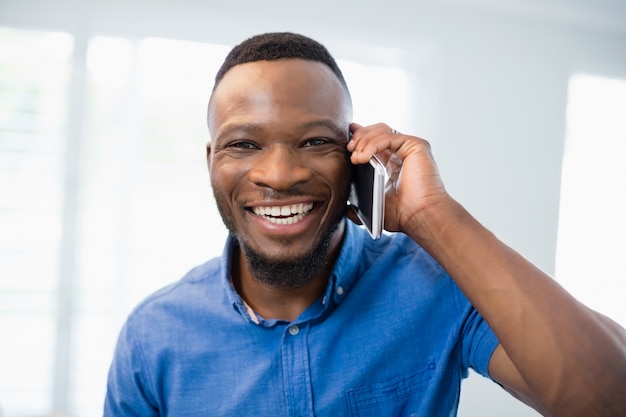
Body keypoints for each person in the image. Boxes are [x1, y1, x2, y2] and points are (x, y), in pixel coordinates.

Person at [104, 32, 626, 416]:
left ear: (354, 159)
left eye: (316, 141)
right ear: (211, 161)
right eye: (244, 144)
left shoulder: (438, 289)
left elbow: (608, 398)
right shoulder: (153, 338)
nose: (279, 176)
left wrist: (431, 216)